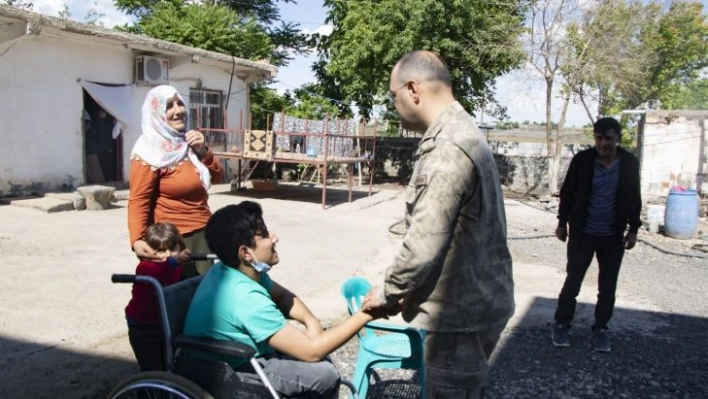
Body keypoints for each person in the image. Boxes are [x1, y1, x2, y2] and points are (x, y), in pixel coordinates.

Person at [361, 50, 515, 398]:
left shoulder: (447, 148)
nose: (394, 104)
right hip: (478, 302)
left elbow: (424, 244)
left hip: (459, 314)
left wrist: (387, 292)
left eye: (393, 95)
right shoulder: (464, 131)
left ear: (413, 89)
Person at [183, 201, 394, 399]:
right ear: (246, 253)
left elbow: (284, 296)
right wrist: (367, 314)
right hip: (232, 369)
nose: (274, 237)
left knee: (319, 357)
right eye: (264, 235)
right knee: (325, 374)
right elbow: (311, 352)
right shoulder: (244, 296)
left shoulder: (238, 271)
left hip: (238, 356)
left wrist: (312, 321)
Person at [551, 116, 641, 353]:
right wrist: (562, 223)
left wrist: (633, 229)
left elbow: (634, 197)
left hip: (613, 236)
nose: (603, 143)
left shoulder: (629, 163)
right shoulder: (583, 160)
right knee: (573, 281)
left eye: (608, 139)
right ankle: (562, 323)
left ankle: (601, 329)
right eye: (599, 138)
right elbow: (568, 192)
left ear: (618, 140)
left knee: (607, 286)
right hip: (583, 234)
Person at [127, 85, 223, 275]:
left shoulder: (187, 142)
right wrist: (137, 239)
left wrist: (202, 151)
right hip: (173, 240)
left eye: (180, 103)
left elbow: (219, 177)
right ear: (156, 112)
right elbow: (139, 199)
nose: (178, 111)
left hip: (203, 233)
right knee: (178, 295)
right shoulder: (148, 150)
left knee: (204, 297)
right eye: (168, 106)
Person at [124, 222, 192, 372]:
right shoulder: (146, 267)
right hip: (142, 327)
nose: (167, 254)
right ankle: (147, 392)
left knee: (168, 365)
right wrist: (175, 261)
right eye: (161, 250)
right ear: (148, 250)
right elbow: (159, 274)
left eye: (172, 249)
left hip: (164, 324)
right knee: (151, 369)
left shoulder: (176, 266)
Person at [93, 107, 117, 182]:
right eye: (101, 112)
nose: (102, 114)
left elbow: (114, 133)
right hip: (99, 146)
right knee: (100, 162)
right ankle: (101, 178)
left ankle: (109, 178)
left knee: (109, 162)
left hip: (108, 145)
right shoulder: (95, 122)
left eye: (104, 112)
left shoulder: (109, 122)